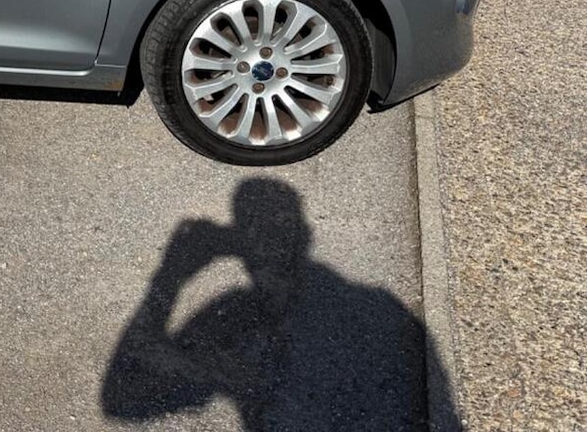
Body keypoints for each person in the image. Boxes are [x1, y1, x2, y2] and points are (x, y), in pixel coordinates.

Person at [101, 178, 456, 431]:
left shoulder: (233, 318)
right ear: (307, 235)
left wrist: (171, 274)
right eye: (256, 228)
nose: (265, 240)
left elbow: (120, 398)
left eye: (274, 227)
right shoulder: (384, 307)